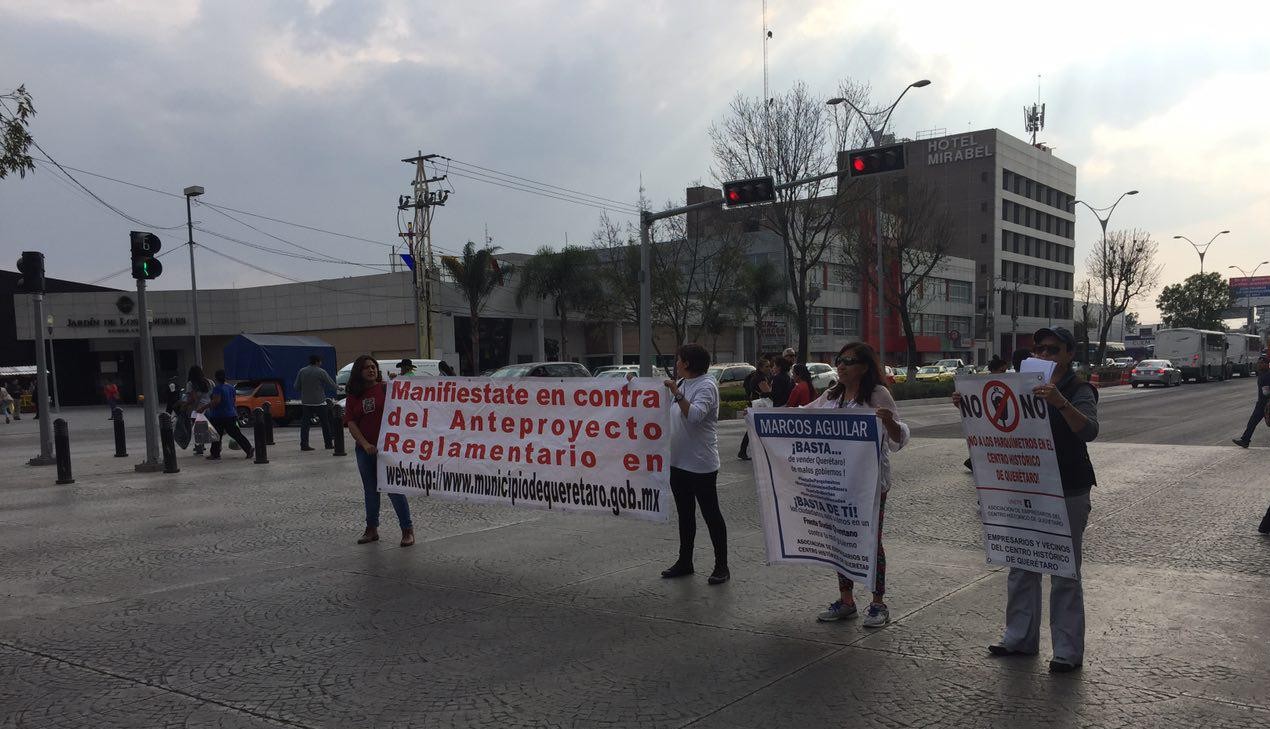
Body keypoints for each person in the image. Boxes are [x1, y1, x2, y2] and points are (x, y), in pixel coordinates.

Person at [957, 326, 1099, 674]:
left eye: (1053, 350)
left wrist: (1060, 403)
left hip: (1067, 488)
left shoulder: (1079, 389)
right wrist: (970, 405)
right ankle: (1019, 638)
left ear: (1068, 354)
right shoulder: (1017, 387)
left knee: (1064, 572)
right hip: (1025, 489)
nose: (1045, 355)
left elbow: (1090, 430)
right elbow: (997, 423)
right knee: (1022, 564)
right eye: (1040, 349)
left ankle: (1066, 651)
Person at [809, 342, 909, 628]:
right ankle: (846, 600)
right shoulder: (832, 394)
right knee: (840, 540)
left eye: (848, 361)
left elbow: (898, 439)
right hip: (837, 482)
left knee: (870, 541)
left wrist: (889, 422)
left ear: (864, 367)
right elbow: (802, 414)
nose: (840, 366)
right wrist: (761, 416)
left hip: (871, 484)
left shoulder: (878, 394)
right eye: (839, 360)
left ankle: (878, 603)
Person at [661, 343, 729, 585]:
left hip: (701, 465)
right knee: (685, 515)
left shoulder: (707, 386)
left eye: (678, 360)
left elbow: (696, 416)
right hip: (678, 462)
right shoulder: (682, 383)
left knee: (711, 514)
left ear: (687, 363)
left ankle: (722, 566)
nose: (676, 364)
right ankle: (685, 561)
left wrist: (677, 394)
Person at [343, 355, 414, 547]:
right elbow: (351, 422)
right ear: (359, 371)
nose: (371, 370)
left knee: (394, 489)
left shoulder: (386, 388)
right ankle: (371, 529)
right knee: (370, 491)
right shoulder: (353, 396)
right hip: (365, 450)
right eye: (366, 367)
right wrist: (365, 444)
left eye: (373, 366)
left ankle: (407, 530)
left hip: (388, 449)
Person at [964, 357, 1009, 470]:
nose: (1004, 374)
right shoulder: (983, 384)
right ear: (994, 370)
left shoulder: (1006, 383)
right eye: (1002, 371)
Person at [205, 370, 254, 460]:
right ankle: (248, 448)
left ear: (216, 378)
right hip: (231, 414)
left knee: (216, 435)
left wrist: (204, 407)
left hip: (219, 415)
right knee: (235, 433)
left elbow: (216, 401)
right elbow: (233, 400)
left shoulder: (217, 388)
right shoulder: (231, 388)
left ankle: (215, 454)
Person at [295, 354, 337, 451]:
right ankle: (328, 444)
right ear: (318, 362)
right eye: (321, 361)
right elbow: (330, 382)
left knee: (305, 425)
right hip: (320, 402)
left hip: (306, 402)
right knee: (325, 424)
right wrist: (337, 387)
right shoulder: (321, 371)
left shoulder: (302, 371)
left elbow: (296, 386)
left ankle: (304, 445)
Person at [737, 356, 772, 461]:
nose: (769, 368)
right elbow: (767, 392)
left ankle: (743, 451)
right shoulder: (760, 378)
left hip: (755, 405)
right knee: (754, 428)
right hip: (759, 406)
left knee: (753, 428)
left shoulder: (757, 376)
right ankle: (743, 451)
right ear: (761, 368)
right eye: (767, 366)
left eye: (770, 366)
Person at [1232, 355, 1270, 448]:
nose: (1260, 365)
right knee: (1252, 422)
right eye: (1259, 363)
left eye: (1262, 363)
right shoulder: (1261, 374)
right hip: (1261, 404)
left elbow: (1267, 391)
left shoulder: (1268, 375)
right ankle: (1245, 440)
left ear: (1267, 364)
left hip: (1268, 403)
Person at [184, 366, 214, 456]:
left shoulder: (191, 384)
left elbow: (193, 399)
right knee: (211, 429)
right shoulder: (210, 382)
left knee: (198, 430)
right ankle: (216, 446)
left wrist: (184, 404)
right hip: (209, 408)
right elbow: (213, 395)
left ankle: (200, 448)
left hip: (197, 409)